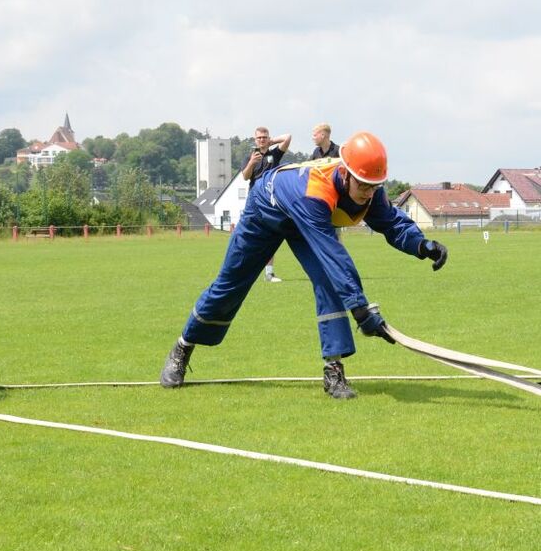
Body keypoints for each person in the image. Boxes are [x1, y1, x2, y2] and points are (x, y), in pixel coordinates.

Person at [160, 131, 448, 400]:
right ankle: (182, 347)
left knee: (328, 283)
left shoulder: (367, 187)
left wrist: (422, 245)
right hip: (265, 211)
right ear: (346, 173)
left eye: (374, 187)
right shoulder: (316, 192)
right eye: (363, 186)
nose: (368, 193)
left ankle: (333, 372)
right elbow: (332, 253)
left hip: (306, 221)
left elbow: (392, 222)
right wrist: (361, 311)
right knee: (230, 285)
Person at [241, 126, 292, 282]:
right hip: (254, 200)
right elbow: (245, 176)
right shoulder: (250, 156)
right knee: (248, 235)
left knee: (270, 235)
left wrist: (271, 142)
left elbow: (287, 137)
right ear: (254, 139)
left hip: (271, 200)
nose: (262, 140)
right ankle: (244, 268)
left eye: (264, 137)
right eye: (259, 138)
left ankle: (269, 273)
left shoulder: (274, 154)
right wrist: (251, 163)